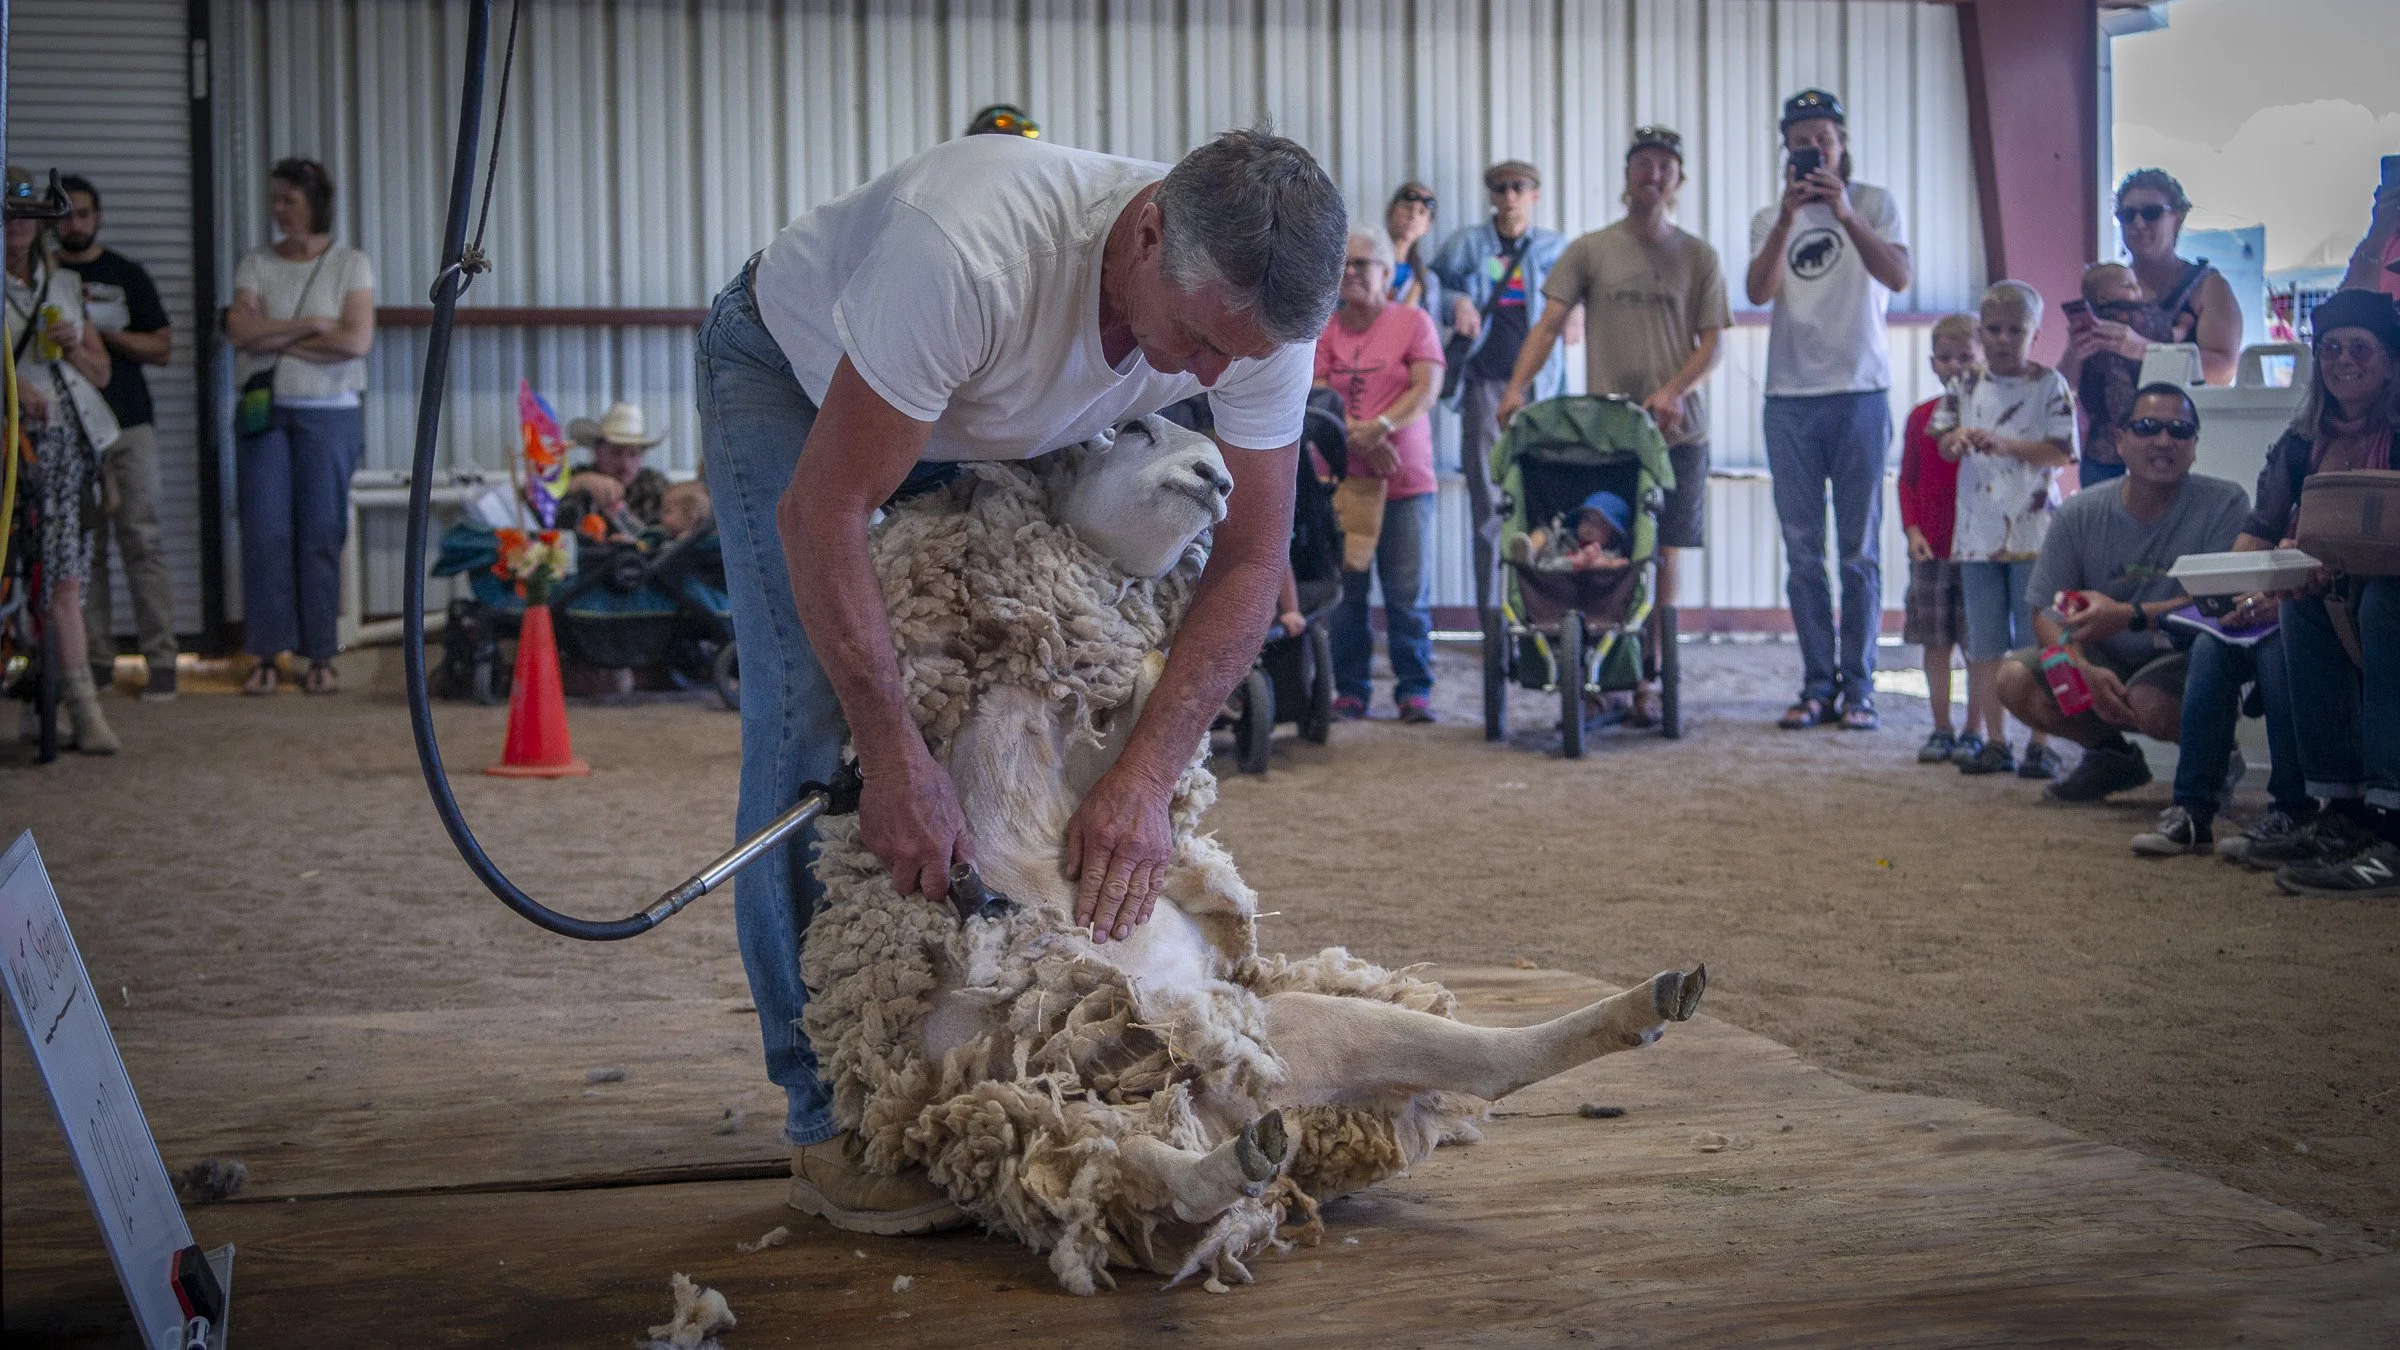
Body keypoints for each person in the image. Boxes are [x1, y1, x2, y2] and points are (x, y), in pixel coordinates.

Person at [702, 128, 1341, 1234]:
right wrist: (895, 754)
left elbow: (1248, 563)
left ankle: (977, 1028)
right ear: (1145, 233)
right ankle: (823, 1118)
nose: (1207, 379)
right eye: (1193, 340)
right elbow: (825, 512)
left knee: (1059, 656)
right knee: (819, 722)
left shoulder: (1248, 320)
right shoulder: (974, 251)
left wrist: (1146, 778)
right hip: (801, 379)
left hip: (999, 404)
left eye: (1234, 359)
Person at [1496, 125, 1726, 727]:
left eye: (1665, 165)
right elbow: (1547, 325)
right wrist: (1517, 387)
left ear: (1678, 180)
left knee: (1662, 551)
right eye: (1642, 163)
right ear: (1627, 176)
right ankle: (1596, 670)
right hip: (1609, 439)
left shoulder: (1699, 256)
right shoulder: (1592, 249)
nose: (1653, 173)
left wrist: (1673, 391)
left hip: (1680, 434)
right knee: (1603, 544)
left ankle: (1648, 673)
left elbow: (1712, 344)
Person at [1744, 89, 1912, 732]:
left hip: (1860, 393)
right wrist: (1789, 220)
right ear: (1787, 150)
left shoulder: (1873, 203)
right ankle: (1817, 686)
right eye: (1801, 140)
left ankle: (1860, 687)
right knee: (1804, 553)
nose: (1814, 149)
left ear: (1842, 144)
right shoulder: (1770, 216)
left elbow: (1898, 277)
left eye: (1825, 138)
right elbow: (1757, 291)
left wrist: (1844, 212)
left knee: (1859, 553)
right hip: (1788, 398)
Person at [1993, 384, 2249, 804]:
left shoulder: (2224, 504)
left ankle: (2217, 757)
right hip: (2099, 655)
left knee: (2150, 703)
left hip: (2186, 655)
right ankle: (2110, 757)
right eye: (2147, 427)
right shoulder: (2079, 513)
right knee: (2015, 678)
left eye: (2179, 431)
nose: (2164, 440)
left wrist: (2131, 615)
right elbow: (2045, 611)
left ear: (2195, 445)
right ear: (2119, 440)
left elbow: (2223, 602)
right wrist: (2081, 668)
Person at [2225, 288, 2400, 898]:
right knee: (2301, 606)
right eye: (2329, 349)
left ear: (2390, 360)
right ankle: (2344, 812)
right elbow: (2259, 532)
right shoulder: (2302, 443)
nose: (2342, 359)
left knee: (2385, 605)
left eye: (2360, 347)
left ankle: (2395, 828)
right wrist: (2250, 585)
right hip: (2340, 588)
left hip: (2389, 589)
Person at [224, 157, 375, 697]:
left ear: (314, 202)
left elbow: (355, 341)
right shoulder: (255, 263)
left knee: (320, 532)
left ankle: (320, 653)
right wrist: (312, 325)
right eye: (275, 199)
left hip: (329, 413)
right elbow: (240, 333)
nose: (278, 209)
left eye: (288, 199)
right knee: (264, 531)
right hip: (265, 410)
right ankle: (265, 651)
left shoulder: (349, 264)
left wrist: (273, 333)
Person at [1937, 281, 2077, 779]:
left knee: (2039, 639)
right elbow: (1943, 441)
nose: (2002, 339)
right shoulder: (1965, 385)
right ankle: (1996, 740)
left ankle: (2041, 739)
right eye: (1993, 329)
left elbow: (2062, 451)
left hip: (2034, 531)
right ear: (1981, 330)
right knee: (1985, 643)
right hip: (1976, 533)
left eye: (2015, 330)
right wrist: (1957, 441)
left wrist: (2005, 444)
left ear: (2034, 334)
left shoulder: (2050, 385)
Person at [7, 166, 122, 753]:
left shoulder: (63, 285)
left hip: (69, 445)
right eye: (9, 214)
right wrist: (10, 391)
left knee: (66, 578)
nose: (18, 226)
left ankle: (81, 706)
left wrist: (77, 347)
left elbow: (102, 373)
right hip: (12, 451)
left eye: (28, 214)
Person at [55, 175, 178, 700]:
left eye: (84, 214)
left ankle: (163, 660)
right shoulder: (45, 277)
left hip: (129, 426)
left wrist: (101, 336)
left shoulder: (126, 274)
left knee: (142, 540)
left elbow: (162, 346)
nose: (75, 224)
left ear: (98, 217)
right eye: (65, 215)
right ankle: (97, 661)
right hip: (68, 428)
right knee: (85, 550)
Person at [1432, 159, 1570, 619]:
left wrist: (1581, 309)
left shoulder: (1554, 247)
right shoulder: (1468, 245)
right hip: (1484, 385)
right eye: (1500, 188)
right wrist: (1458, 300)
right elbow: (1432, 284)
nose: (1509, 195)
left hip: (1541, 388)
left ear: (1534, 194)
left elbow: (1581, 291)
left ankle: (1539, 616)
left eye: (1519, 187)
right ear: (1491, 196)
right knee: (1489, 507)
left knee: (1547, 499)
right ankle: (1494, 623)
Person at [1315, 227, 1443, 722]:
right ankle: (1351, 689)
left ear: (1388, 275)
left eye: (1362, 264)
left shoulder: (1413, 322)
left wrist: (1383, 427)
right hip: (1343, 478)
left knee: (1406, 593)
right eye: (1344, 264)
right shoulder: (1326, 328)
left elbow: (1425, 388)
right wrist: (1356, 434)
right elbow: (1319, 391)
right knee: (1348, 593)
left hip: (1406, 481)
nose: (1350, 272)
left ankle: (1414, 691)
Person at [2060, 168, 2242, 390]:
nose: (2138, 223)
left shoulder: (2207, 286)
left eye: (2151, 212)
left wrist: (2143, 351)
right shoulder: (2105, 283)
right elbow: (2067, 384)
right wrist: (2075, 352)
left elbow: (2223, 370)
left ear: (2178, 218)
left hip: (2181, 420)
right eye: (2127, 215)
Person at [1897, 313, 1982, 764]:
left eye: (1966, 356)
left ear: (1983, 356)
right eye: (1946, 358)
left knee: (1979, 643)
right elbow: (1907, 480)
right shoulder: (1920, 417)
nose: (1956, 366)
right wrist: (1912, 530)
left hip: (1981, 549)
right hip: (1932, 547)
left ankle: (1975, 727)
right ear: (1933, 364)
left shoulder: (1994, 417)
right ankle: (1941, 726)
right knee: (1935, 641)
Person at [2064, 261, 2175, 488]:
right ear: (2103, 297)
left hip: (2105, 435)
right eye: (2129, 285)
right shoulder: (2138, 317)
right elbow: (2166, 333)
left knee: (2099, 491)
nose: (2137, 291)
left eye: (2136, 285)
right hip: (2118, 425)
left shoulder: (2092, 323)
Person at [557, 401, 671, 536]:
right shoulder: (578, 476)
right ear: (597, 452)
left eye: (633, 454)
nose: (625, 463)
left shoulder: (655, 484)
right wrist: (575, 484)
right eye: (616, 453)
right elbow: (538, 506)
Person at [1383, 182, 1438, 314]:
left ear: (1428, 226)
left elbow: (1431, 330)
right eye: (1407, 208)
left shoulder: (1427, 280)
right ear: (1390, 211)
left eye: (1422, 212)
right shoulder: (1360, 263)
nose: (1413, 216)